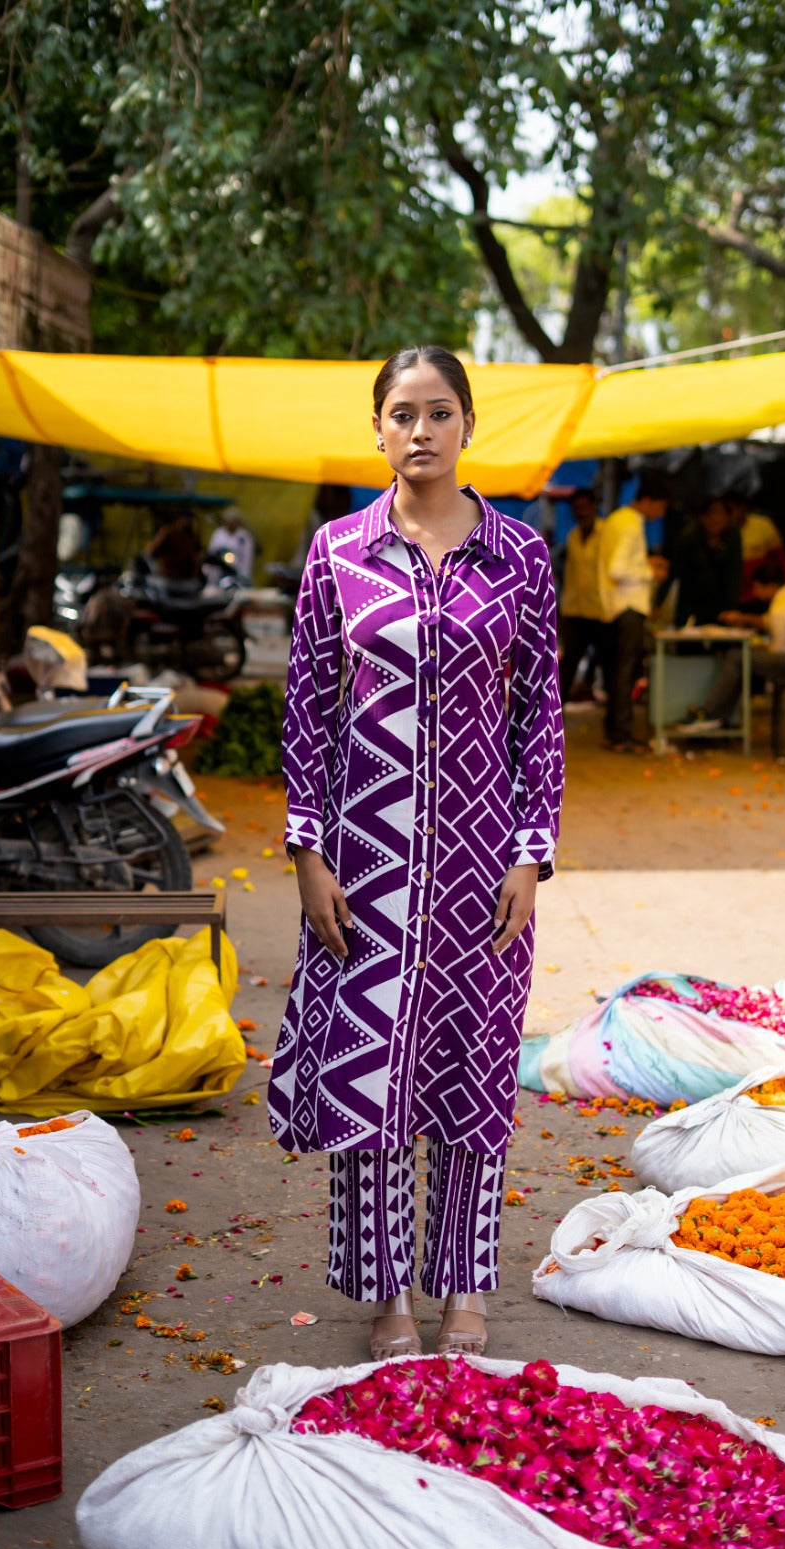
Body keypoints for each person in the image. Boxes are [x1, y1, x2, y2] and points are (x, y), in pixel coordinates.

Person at [268, 344, 564, 1363]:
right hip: (366, 862)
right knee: (373, 1078)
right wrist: (307, 852)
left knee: (474, 1071)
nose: (422, 431)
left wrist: (530, 853)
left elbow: (539, 715)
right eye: (403, 413)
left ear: (469, 426)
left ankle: (463, 1287)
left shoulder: (520, 556)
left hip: (485, 869)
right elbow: (306, 708)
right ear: (378, 430)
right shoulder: (337, 551)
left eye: (441, 412)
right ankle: (388, 1290)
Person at [680, 558, 785, 730]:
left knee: (737, 657)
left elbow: (777, 650)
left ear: (770, 585)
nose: (755, 593)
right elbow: (767, 622)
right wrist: (743, 619)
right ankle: (719, 716)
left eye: (757, 587)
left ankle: (709, 713)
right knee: (743, 658)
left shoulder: (782, 608)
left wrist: (758, 647)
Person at [597, 470, 670, 750]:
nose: (660, 514)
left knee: (617, 672)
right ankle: (621, 734)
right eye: (660, 508)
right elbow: (618, 569)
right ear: (649, 501)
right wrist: (649, 572)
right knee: (625, 674)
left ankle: (614, 732)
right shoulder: (631, 523)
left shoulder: (615, 520)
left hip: (612, 608)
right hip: (628, 607)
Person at [661, 495, 742, 627]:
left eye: (720, 514)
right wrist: (659, 603)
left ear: (728, 517)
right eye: (711, 514)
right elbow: (674, 571)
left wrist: (733, 607)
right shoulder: (689, 535)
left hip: (720, 602)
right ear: (703, 517)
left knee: (722, 641)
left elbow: (734, 572)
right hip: (690, 600)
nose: (716, 519)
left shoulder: (733, 534)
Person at [558, 486, 605, 702]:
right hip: (575, 611)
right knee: (567, 667)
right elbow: (570, 576)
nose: (581, 512)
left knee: (609, 664)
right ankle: (556, 718)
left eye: (584, 507)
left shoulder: (607, 533)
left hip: (601, 611)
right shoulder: (573, 536)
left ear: (593, 507)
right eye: (577, 508)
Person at [726, 491, 785, 606]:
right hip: (734, 595)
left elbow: (780, 558)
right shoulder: (723, 531)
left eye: (732, 509)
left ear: (742, 507)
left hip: (761, 595)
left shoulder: (762, 525)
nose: (730, 514)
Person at [145, 514, 202, 581]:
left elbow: (196, 557)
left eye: (190, 520)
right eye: (186, 519)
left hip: (186, 578)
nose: (188, 522)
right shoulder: (168, 532)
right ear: (178, 519)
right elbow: (150, 551)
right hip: (167, 576)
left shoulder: (192, 536)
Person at [207, 506, 257, 582]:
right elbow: (211, 551)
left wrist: (244, 577)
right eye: (227, 521)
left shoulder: (244, 536)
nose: (229, 524)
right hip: (219, 572)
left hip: (237, 572)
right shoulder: (218, 534)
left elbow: (247, 559)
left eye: (232, 521)